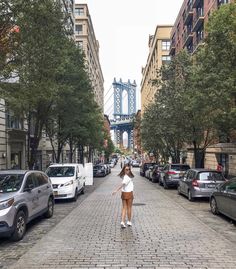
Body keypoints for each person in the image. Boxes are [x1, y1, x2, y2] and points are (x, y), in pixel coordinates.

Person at [112, 164, 134, 228]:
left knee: (124, 208)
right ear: (124, 170)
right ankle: (128, 221)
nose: (128, 170)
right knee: (129, 208)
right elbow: (122, 184)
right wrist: (116, 190)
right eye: (126, 169)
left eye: (129, 169)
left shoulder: (125, 176)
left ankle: (124, 221)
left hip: (124, 193)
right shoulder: (127, 177)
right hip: (129, 193)